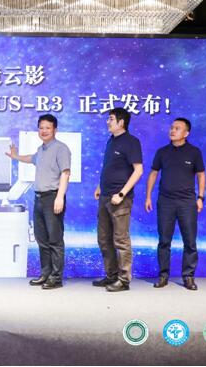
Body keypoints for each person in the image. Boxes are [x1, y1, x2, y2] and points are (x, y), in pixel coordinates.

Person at [7, 114, 71, 289]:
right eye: (41, 128)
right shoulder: (41, 150)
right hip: (39, 199)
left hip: (53, 197)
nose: (44, 131)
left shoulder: (61, 149)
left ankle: (56, 278)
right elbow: (31, 158)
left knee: (55, 240)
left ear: (55, 130)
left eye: (47, 128)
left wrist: (60, 197)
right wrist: (16, 156)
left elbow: (65, 173)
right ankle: (45, 274)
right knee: (42, 239)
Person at [145, 118, 206, 290]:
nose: (172, 130)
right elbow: (153, 173)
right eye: (172, 127)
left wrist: (200, 198)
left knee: (190, 241)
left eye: (177, 128)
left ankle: (188, 276)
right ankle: (163, 275)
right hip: (165, 201)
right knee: (164, 241)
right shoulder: (162, 152)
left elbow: (201, 175)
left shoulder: (194, 152)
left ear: (186, 133)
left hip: (187, 202)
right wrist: (148, 196)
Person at [94, 107, 143, 292]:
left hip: (120, 199)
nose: (108, 122)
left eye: (111, 119)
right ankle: (111, 275)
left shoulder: (132, 142)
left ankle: (124, 280)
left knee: (121, 240)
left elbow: (138, 170)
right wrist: (100, 187)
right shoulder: (111, 141)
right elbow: (109, 167)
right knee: (103, 238)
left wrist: (121, 194)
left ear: (121, 122)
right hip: (105, 197)